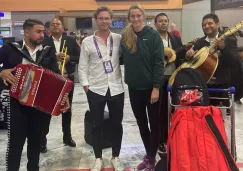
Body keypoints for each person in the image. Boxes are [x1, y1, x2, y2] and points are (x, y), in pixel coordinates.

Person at [0, 19, 70, 171]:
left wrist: (63, 96)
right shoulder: (10, 48)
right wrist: (1, 72)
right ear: (26, 33)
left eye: (43, 32)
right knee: (15, 143)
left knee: (35, 142)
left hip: (39, 105)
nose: (42, 35)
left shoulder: (47, 50)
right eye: (38, 32)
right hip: (16, 103)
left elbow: (56, 75)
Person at [78, 6, 125, 171]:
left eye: (107, 18)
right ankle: (98, 158)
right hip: (96, 89)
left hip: (116, 88)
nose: (104, 21)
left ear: (111, 20)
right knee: (97, 125)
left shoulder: (119, 38)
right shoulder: (87, 42)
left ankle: (115, 156)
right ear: (96, 20)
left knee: (116, 124)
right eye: (101, 18)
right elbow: (82, 66)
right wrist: (85, 86)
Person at [120, 4, 164, 171]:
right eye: (133, 16)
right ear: (129, 18)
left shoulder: (152, 36)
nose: (136, 19)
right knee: (141, 123)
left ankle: (152, 158)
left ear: (143, 17)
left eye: (138, 16)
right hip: (134, 88)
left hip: (150, 89)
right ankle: (149, 153)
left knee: (154, 123)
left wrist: (156, 87)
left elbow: (159, 63)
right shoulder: (126, 36)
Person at [41, 18, 80, 153]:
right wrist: (53, 58)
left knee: (67, 110)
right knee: (46, 111)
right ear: (49, 29)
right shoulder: (44, 42)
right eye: (53, 24)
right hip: (50, 81)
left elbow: (79, 57)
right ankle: (42, 140)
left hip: (67, 80)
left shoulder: (70, 41)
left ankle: (67, 137)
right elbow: (39, 61)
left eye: (58, 24)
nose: (55, 26)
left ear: (63, 28)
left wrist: (69, 58)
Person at [186, 13, 243, 106]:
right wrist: (189, 56)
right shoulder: (200, 42)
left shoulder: (229, 40)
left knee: (223, 117)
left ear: (218, 24)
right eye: (204, 25)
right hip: (203, 86)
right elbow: (192, 63)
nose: (206, 26)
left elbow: (234, 62)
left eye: (210, 23)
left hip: (223, 86)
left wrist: (223, 48)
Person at [154, 12, 190, 155]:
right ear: (155, 23)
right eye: (160, 21)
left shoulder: (175, 39)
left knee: (175, 110)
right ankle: (161, 140)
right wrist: (162, 54)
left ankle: (174, 137)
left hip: (174, 78)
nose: (163, 23)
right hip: (158, 79)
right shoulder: (152, 39)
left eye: (165, 21)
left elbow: (180, 57)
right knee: (160, 112)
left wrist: (186, 53)